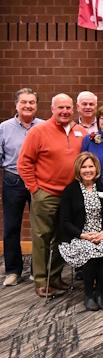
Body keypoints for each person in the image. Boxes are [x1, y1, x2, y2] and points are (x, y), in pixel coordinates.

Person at [18, 93, 86, 297]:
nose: (65, 111)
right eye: (60, 108)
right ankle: (41, 280)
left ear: (73, 109)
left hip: (71, 196)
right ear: (52, 109)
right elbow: (24, 162)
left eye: (68, 108)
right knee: (42, 237)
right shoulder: (38, 132)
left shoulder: (80, 132)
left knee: (63, 238)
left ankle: (55, 277)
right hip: (45, 194)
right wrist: (34, 189)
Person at [58, 152, 103, 311]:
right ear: (79, 169)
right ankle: (89, 294)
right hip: (78, 236)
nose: (88, 170)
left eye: (90, 166)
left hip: (100, 233)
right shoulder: (71, 190)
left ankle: (99, 293)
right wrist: (83, 235)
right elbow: (65, 221)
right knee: (90, 249)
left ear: (96, 168)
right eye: (84, 167)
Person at [0, 88, 43, 287]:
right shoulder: (4, 128)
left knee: (40, 228)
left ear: (36, 105)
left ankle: (37, 270)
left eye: (31, 102)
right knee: (11, 227)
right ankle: (13, 271)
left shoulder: (44, 126)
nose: (28, 106)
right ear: (16, 105)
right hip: (13, 181)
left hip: (38, 181)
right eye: (24, 102)